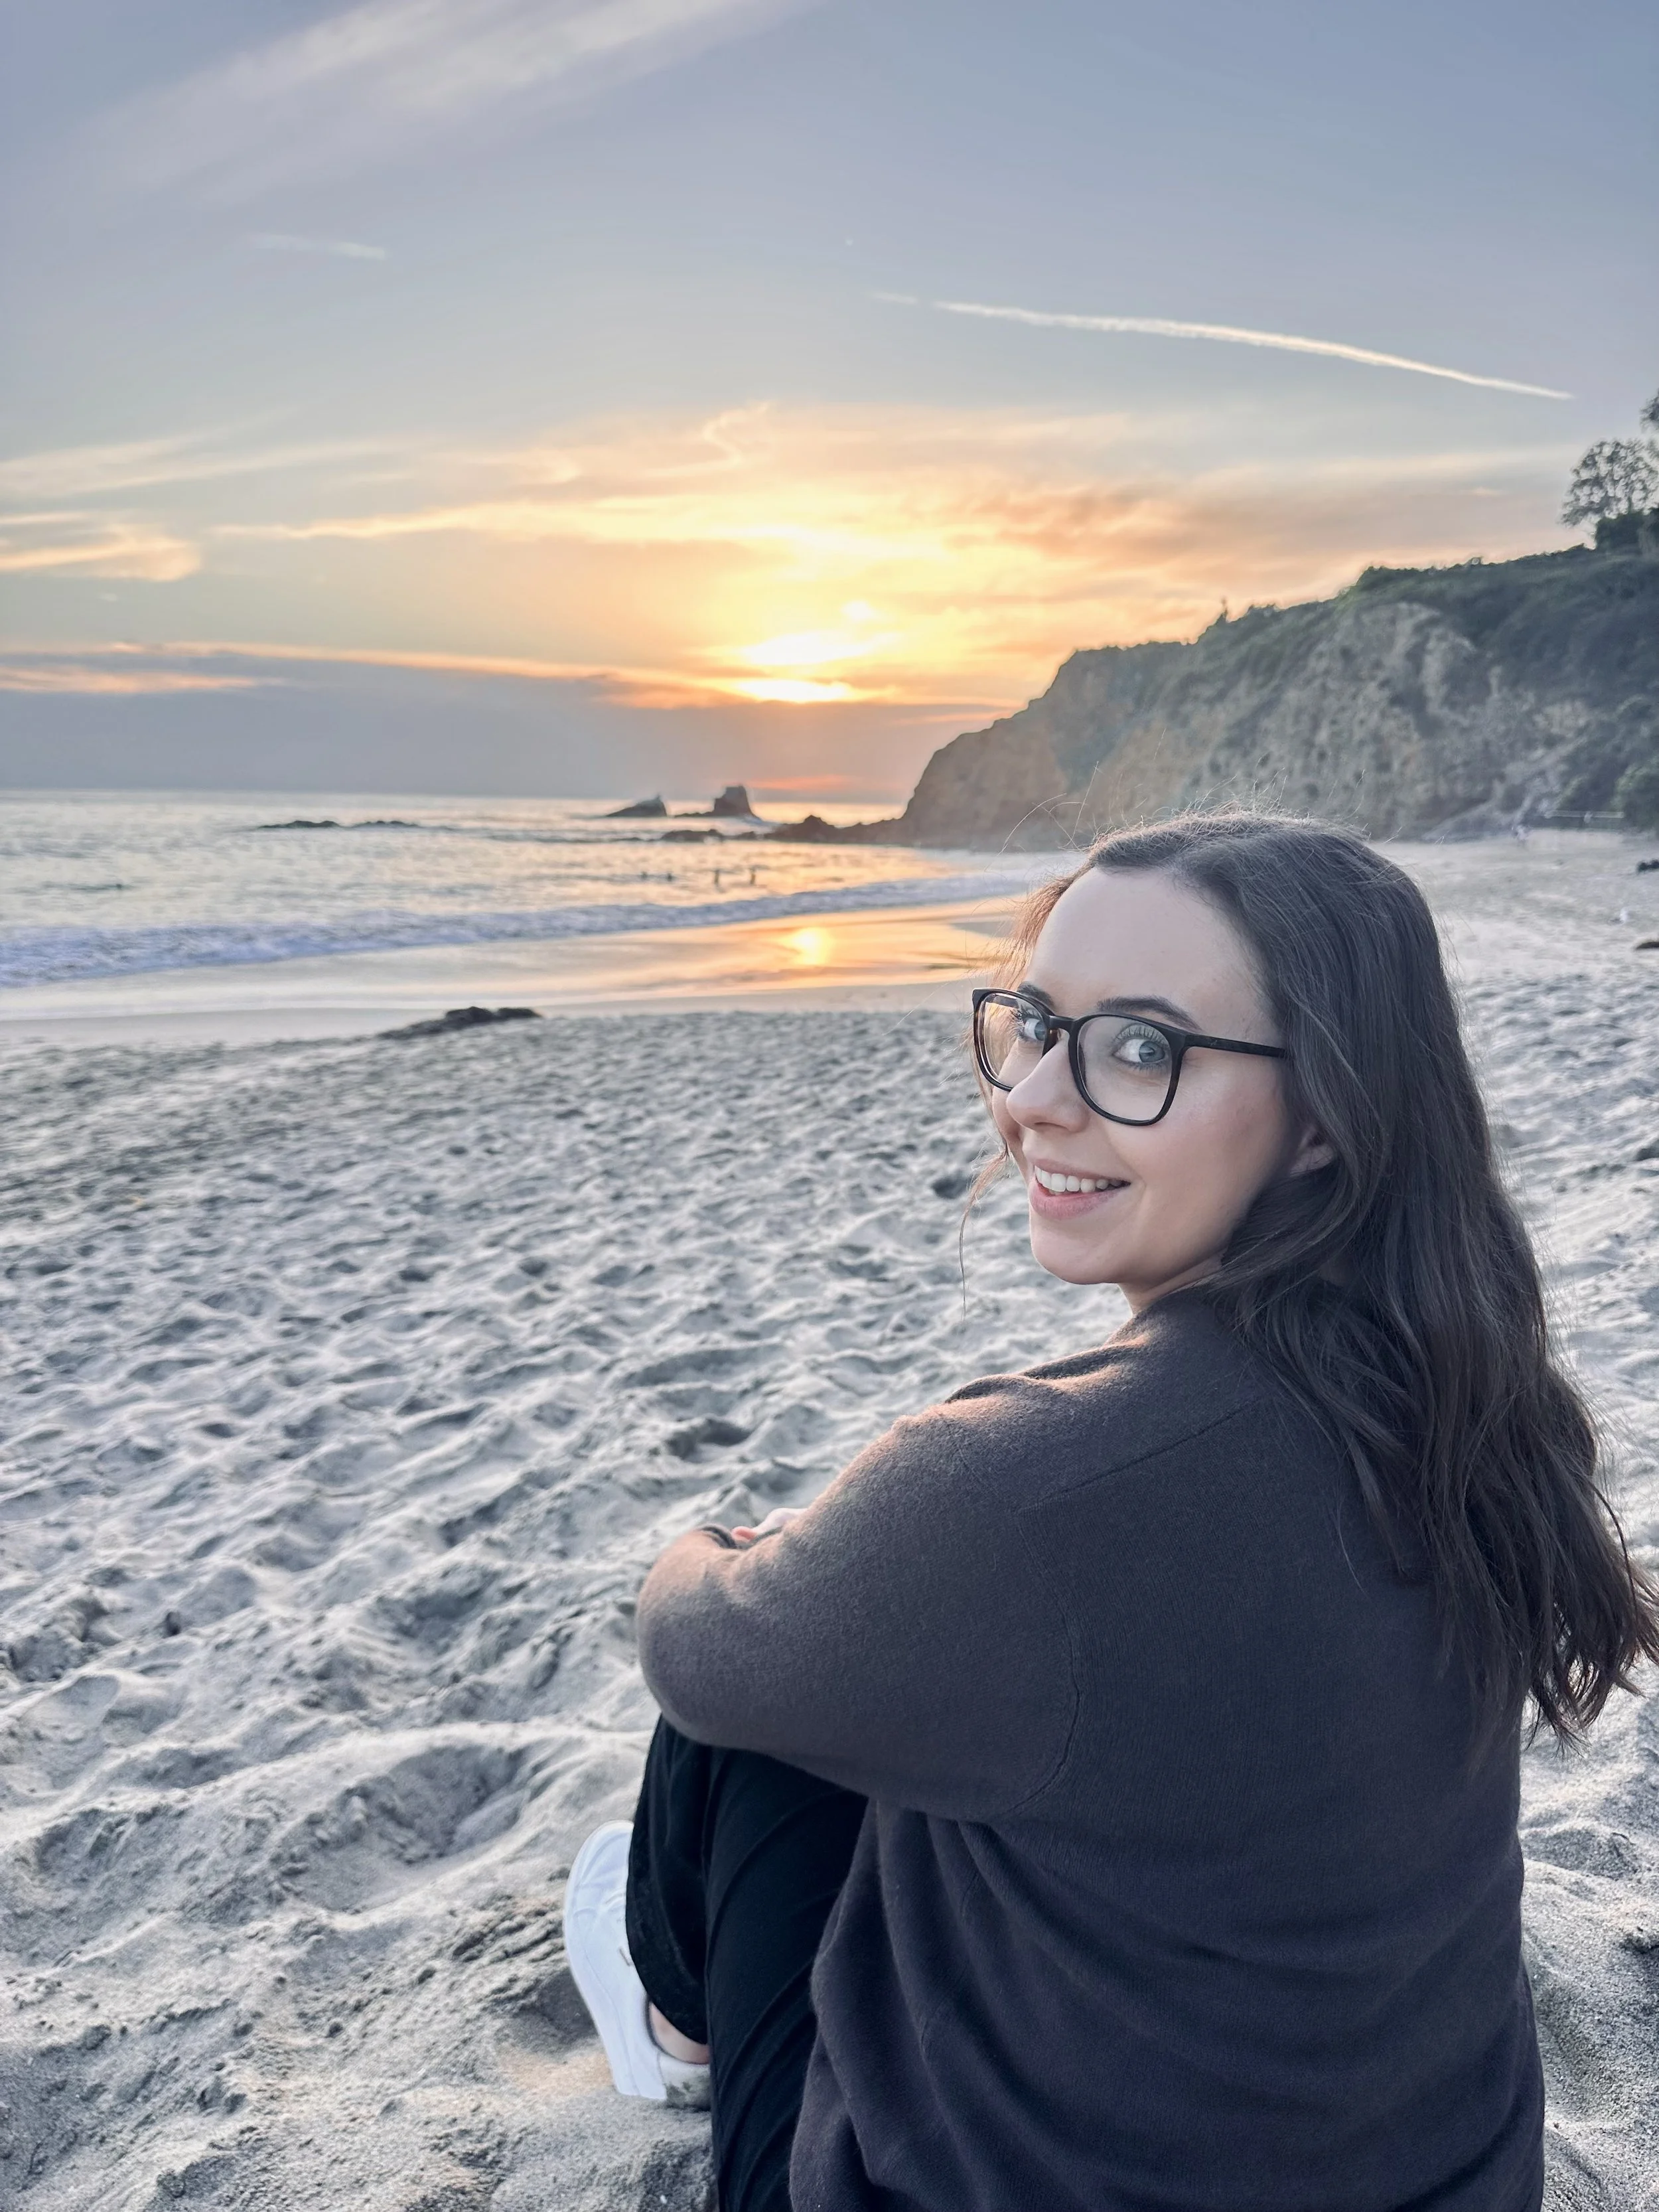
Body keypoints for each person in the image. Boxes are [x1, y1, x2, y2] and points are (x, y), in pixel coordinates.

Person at [565, 812, 1659, 2212]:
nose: (1031, 1096)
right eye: (1032, 1022)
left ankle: (672, 2033)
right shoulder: (1458, 1399)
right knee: (874, 1630)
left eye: (1139, 1048)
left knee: (765, 1678)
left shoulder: (1029, 1489)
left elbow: (691, 1646)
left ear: (1327, 1112)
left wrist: (716, 1550)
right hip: (1432, 2170)